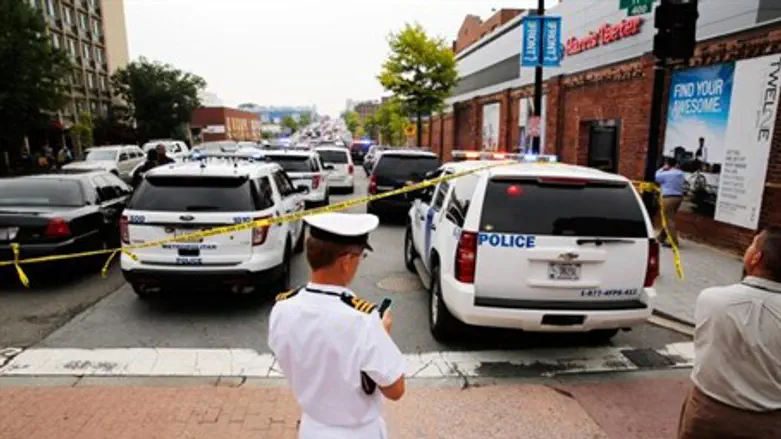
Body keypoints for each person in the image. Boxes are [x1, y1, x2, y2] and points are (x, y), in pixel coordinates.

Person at [269, 212, 406, 439]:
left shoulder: (282, 308)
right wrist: (382, 336)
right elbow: (395, 390)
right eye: (360, 256)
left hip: (312, 428)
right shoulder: (363, 320)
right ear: (345, 262)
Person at [678, 227, 781, 438]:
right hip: (770, 420)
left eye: (753, 244)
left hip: (709, 412)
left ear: (756, 258)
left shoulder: (712, 299)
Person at [655, 157, 685, 247]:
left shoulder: (665, 174)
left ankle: (674, 242)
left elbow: (656, 177)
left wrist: (662, 169)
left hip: (668, 198)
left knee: (669, 220)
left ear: (667, 164)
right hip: (678, 198)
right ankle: (661, 237)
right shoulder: (680, 173)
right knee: (669, 218)